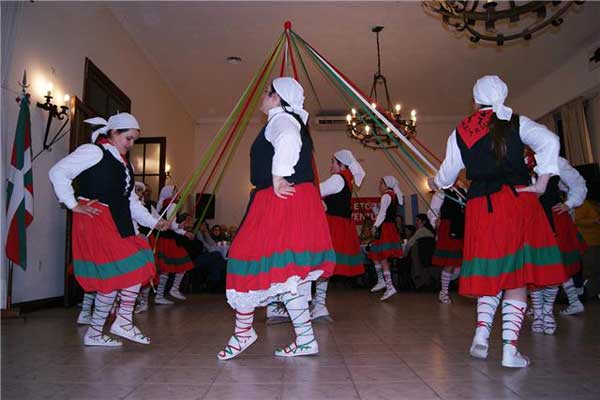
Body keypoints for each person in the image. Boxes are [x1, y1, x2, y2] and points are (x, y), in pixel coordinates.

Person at [428, 75, 565, 368]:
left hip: (480, 206)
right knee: (516, 275)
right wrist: (541, 184)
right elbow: (551, 141)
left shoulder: (460, 131)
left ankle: (481, 333)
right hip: (516, 201)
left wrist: (435, 181)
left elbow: (447, 175)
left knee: (491, 270)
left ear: (474, 99)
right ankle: (509, 350)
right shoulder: (516, 122)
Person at [217, 77, 334, 360]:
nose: (263, 96)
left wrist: (279, 175)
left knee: (245, 257)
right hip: (289, 199)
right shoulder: (287, 119)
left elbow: (288, 140)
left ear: (277, 98)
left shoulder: (282, 120)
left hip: (279, 199)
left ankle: (244, 331)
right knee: (289, 273)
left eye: (267, 93)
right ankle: (305, 339)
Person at [49, 112, 169, 346]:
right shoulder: (94, 151)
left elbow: (130, 201)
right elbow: (57, 172)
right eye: (129, 138)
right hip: (97, 220)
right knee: (132, 264)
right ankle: (122, 320)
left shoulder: (124, 163)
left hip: (117, 221)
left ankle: (96, 332)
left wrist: (154, 222)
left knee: (116, 276)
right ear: (113, 133)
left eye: (134, 140)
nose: (131, 144)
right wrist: (74, 204)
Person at [525, 153, 588, 333]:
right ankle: (539, 312)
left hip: (553, 220)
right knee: (534, 268)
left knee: (555, 267)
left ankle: (547, 312)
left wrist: (569, 203)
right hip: (530, 221)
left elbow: (577, 183)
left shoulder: (556, 162)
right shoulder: (518, 162)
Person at [310, 149, 366, 321]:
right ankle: (318, 304)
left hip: (332, 226)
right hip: (339, 225)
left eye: (333, 162)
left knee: (321, 264)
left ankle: (319, 305)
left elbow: (316, 190)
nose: (330, 166)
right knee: (323, 266)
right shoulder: (347, 180)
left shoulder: (338, 179)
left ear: (341, 165)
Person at [154, 185, 195, 304]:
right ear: (170, 194)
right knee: (184, 263)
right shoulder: (172, 205)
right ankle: (173, 289)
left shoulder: (164, 205)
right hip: (168, 241)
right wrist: (182, 228)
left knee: (165, 269)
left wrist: (184, 231)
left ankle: (160, 296)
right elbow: (171, 225)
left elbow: (170, 224)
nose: (178, 193)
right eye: (175, 191)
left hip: (164, 240)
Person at [428, 186, 467, 304]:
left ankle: (447, 286)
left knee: (459, 263)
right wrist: (434, 220)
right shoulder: (441, 192)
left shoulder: (463, 191)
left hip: (462, 227)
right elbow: (432, 210)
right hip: (448, 228)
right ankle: (444, 292)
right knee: (450, 262)